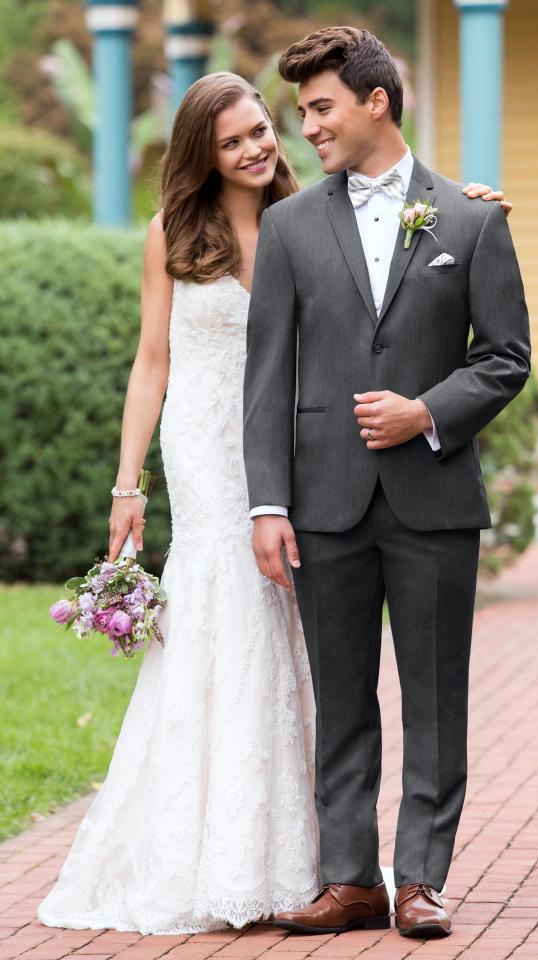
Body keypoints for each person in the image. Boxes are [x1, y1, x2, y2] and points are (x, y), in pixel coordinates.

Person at [37, 70, 510, 935]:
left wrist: (466, 213)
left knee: (319, 659)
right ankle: (265, 849)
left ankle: (371, 870)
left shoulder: (321, 210)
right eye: (236, 138)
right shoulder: (189, 232)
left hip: (326, 457)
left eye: (267, 128)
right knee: (252, 640)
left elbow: (421, 306)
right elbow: (155, 360)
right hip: (227, 462)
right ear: (202, 155)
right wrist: (127, 481)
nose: (261, 144)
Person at [243, 27, 530, 939]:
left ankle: (420, 880)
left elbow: (507, 359)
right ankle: (350, 878)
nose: (308, 127)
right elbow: (267, 377)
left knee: (437, 696)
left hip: (434, 500)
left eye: (320, 107)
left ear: (376, 102)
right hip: (324, 502)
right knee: (342, 698)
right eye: (302, 113)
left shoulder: (471, 219)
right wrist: (268, 503)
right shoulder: (287, 226)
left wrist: (426, 413)